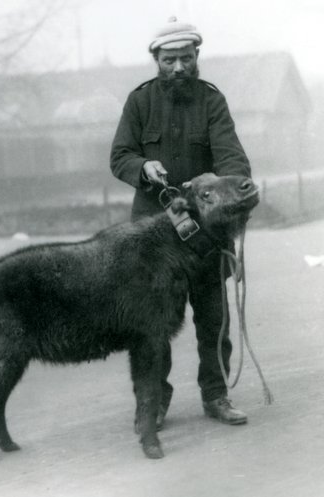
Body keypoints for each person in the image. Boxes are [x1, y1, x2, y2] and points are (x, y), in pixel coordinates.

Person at [110, 17, 251, 425]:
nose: (178, 68)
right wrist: (142, 166)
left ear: (196, 57)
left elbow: (234, 158)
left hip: (207, 234)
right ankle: (154, 403)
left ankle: (217, 395)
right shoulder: (139, 102)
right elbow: (119, 156)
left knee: (213, 319)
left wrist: (215, 179)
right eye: (169, 59)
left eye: (185, 59)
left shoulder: (211, 101)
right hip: (154, 238)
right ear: (156, 59)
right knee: (152, 325)